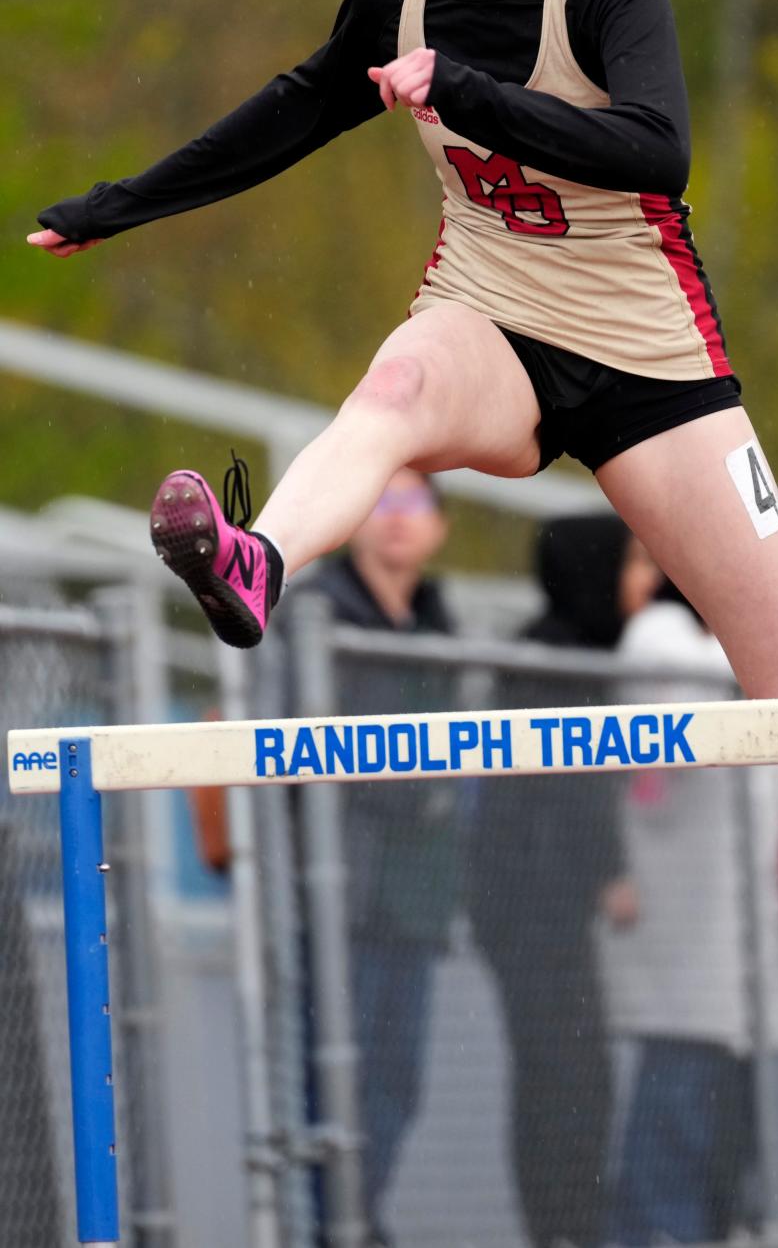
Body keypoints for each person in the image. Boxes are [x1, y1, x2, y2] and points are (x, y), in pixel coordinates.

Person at [29, 0, 778, 722]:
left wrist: (469, 93)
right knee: (394, 387)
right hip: (491, 314)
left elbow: (657, 154)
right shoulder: (396, 0)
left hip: (648, 355)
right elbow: (288, 115)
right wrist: (114, 206)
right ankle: (258, 561)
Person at [467, 513, 647, 1248]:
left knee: (565, 1076)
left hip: (540, 907)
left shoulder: (574, 650)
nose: (646, 580)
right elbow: (569, 781)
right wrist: (608, 871)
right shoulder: (552, 659)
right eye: (632, 563)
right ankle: (564, 1227)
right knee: (565, 1078)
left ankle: (568, 1224)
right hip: (530, 909)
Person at [603, 573, 778, 1246]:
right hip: (683, 933)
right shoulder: (661, 635)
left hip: (739, 944)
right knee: (673, 1122)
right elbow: (688, 729)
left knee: (727, 1137)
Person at [303, 467, 458, 1248]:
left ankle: (358, 1222)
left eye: (414, 502)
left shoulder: (439, 625)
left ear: (439, 526)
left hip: (415, 906)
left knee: (399, 1087)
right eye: (382, 500)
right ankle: (339, 1226)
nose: (397, 519)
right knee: (336, 1090)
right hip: (343, 905)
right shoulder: (317, 618)